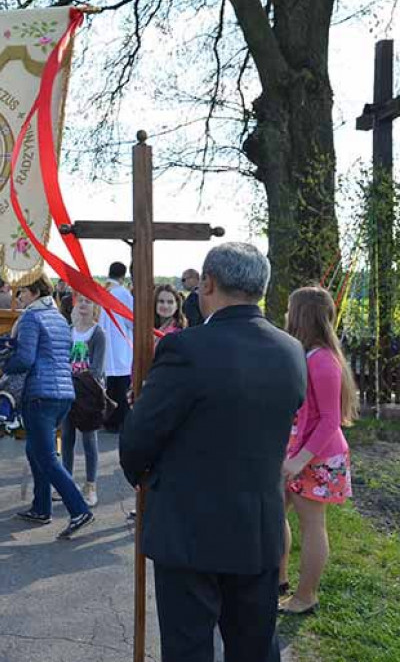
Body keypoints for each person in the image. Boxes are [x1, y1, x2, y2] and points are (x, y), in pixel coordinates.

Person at [119, 242, 307, 662]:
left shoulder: (187, 349)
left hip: (189, 527)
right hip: (257, 526)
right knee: (254, 646)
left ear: (207, 284)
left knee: (189, 648)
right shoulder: (290, 350)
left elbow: (139, 438)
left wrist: (143, 473)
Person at [278, 286, 357, 616]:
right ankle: (279, 580)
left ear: (302, 315)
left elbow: (329, 421)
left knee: (312, 525)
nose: (285, 314)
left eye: (290, 309)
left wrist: (299, 460)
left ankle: (306, 596)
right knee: (273, 513)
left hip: (317, 457)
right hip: (299, 453)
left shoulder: (323, 360)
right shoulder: (306, 354)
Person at [6, 277, 94, 538]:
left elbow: (25, 359)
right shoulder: (58, 318)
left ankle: (79, 510)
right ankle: (41, 507)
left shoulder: (31, 318)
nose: (19, 297)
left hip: (40, 394)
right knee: (35, 450)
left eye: (22, 292)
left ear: (34, 292)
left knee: (45, 456)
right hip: (63, 394)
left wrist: (3, 363)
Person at [60, 293, 107, 508]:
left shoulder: (98, 334)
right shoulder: (69, 331)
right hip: (68, 392)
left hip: (88, 395)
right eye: (80, 301)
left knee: (89, 440)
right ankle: (66, 482)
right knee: (67, 437)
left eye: (88, 301)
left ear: (95, 307)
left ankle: (90, 485)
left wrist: (77, 380)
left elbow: (97, 369)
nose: (83, 305)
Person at [98, 262, 133, 432]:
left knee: (109, 384)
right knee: (120, 386)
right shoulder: (123, 293)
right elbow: (131, 320)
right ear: (123, 276)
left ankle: (107, 419)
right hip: (120, 343)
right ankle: (118, 421)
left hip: (104, 342)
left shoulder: (101, 290)